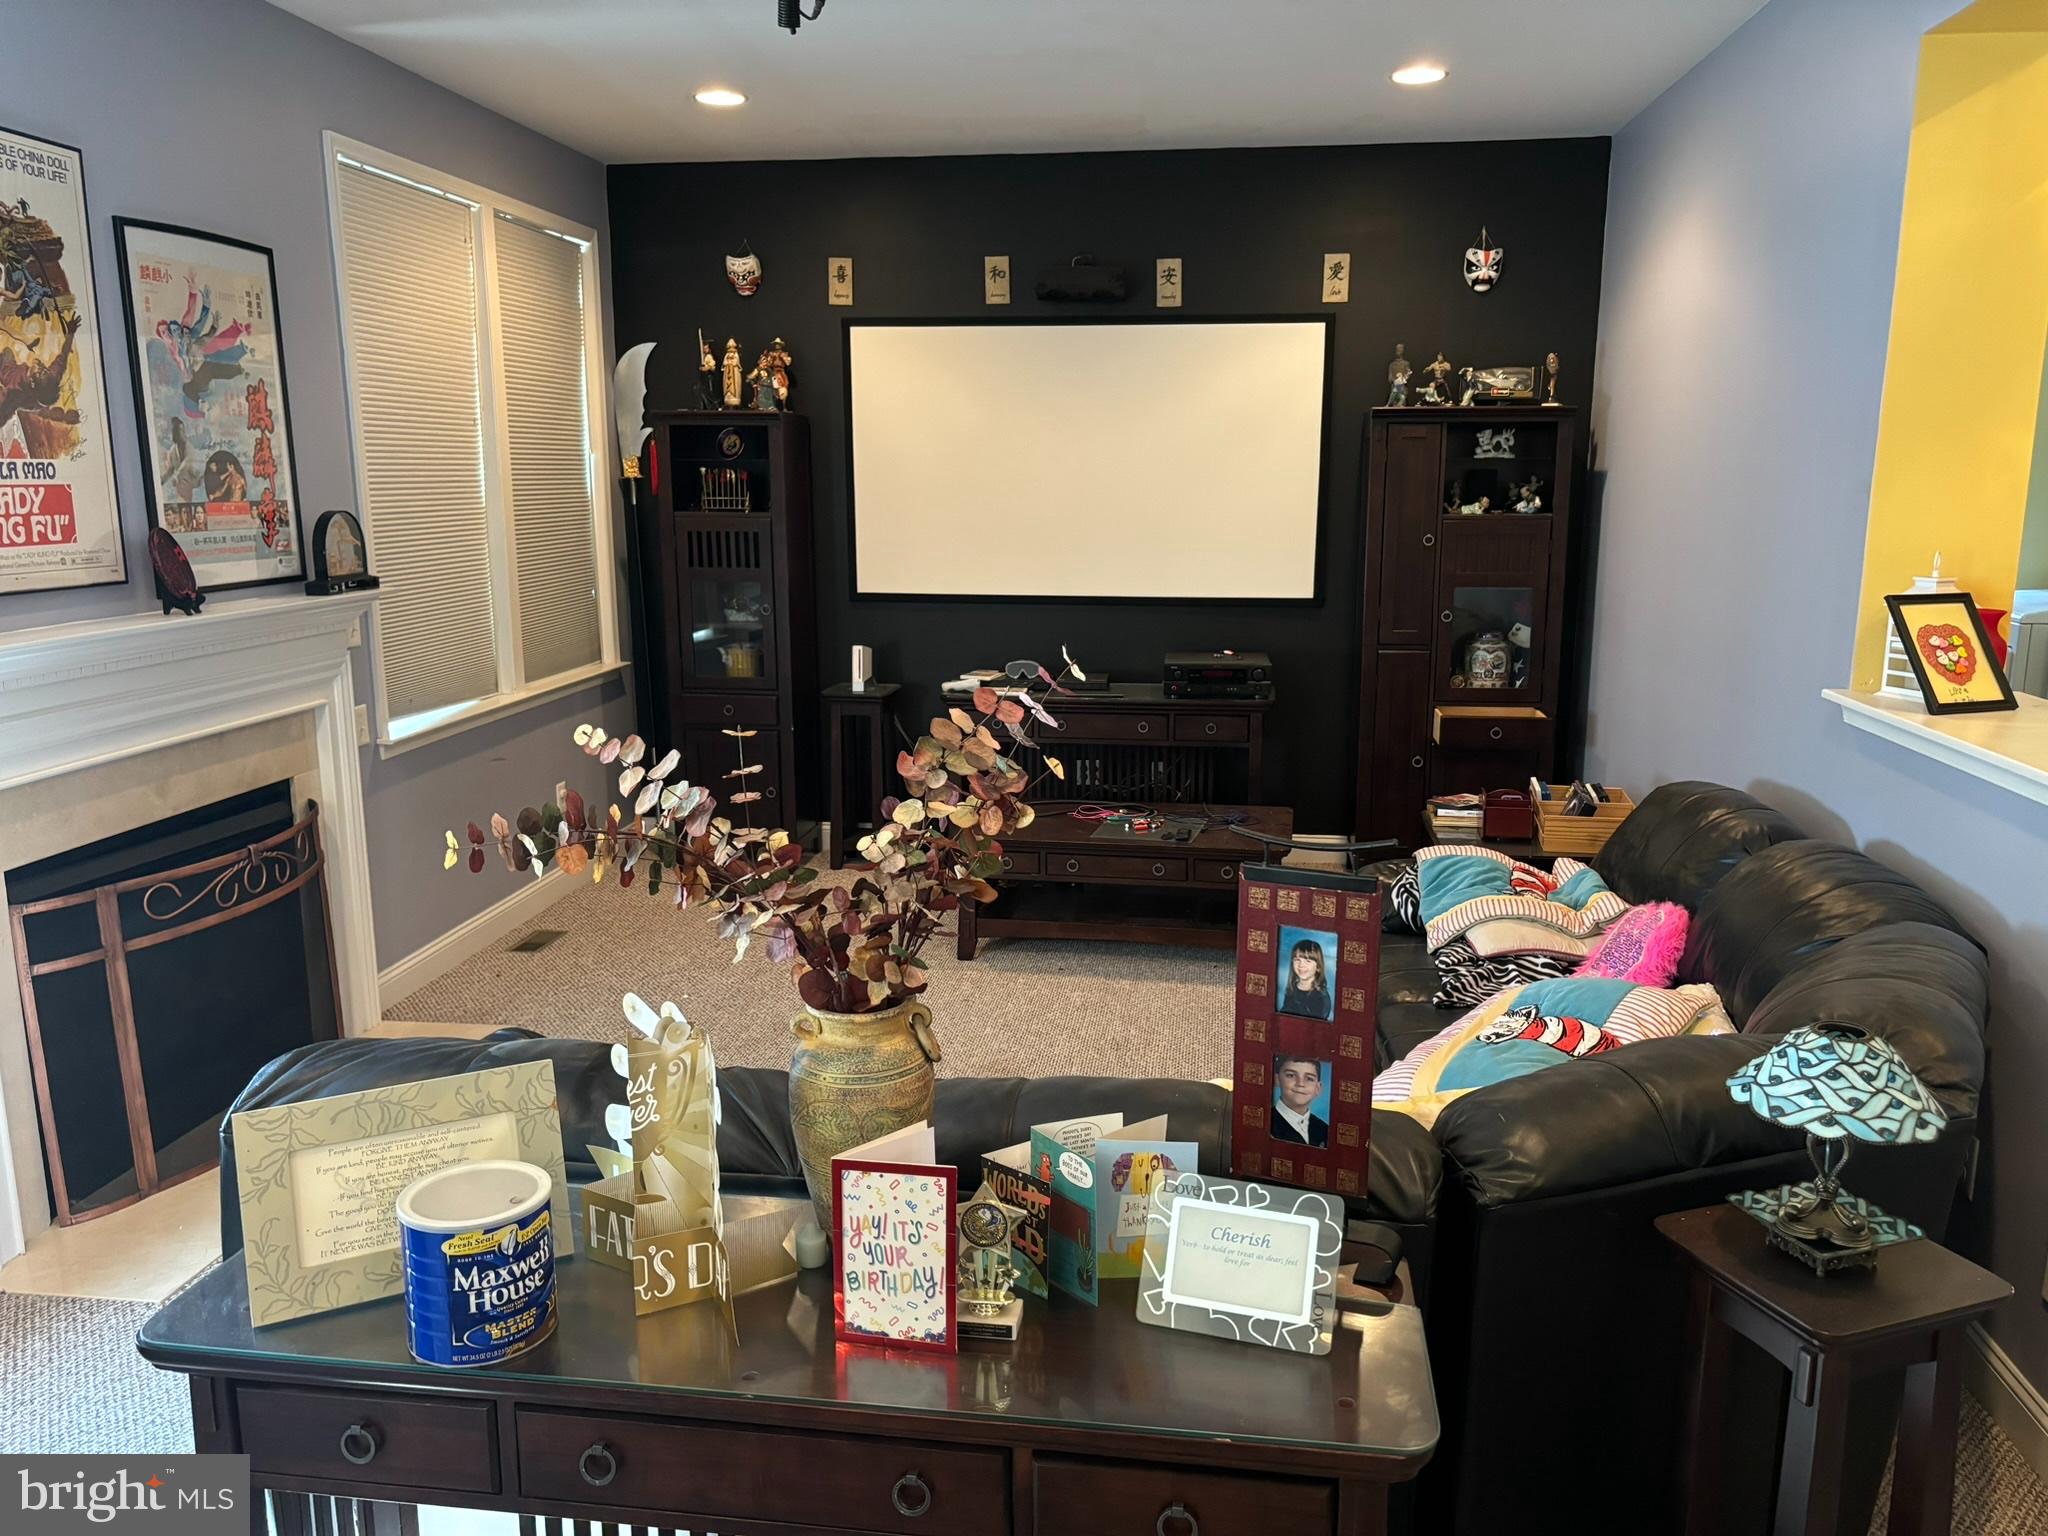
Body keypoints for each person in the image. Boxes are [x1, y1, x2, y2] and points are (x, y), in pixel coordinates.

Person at [1270, 1056, 1329, 1149]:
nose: (1300, 1084)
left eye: (1309, 1079)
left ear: (1318, 1088)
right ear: (1277, 1079)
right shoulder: (1267, 1123)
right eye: (1291, 1075)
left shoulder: (1325, 1129)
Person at [1277, 937, 1334, 1020]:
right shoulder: (1292, 988)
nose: (1301, 965)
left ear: (1318, 967)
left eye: (1308, 961)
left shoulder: (1320, 998)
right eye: (1297, 960)